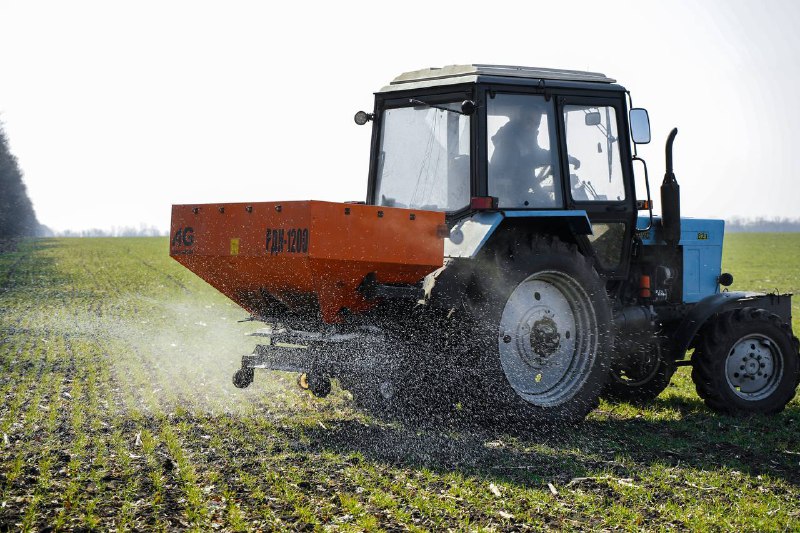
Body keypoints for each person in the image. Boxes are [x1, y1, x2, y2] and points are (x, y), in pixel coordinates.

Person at [490, 105, 579, 206]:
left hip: (517, 193)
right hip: (506, 197)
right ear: (521, 118)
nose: (533, 126)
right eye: (529, 121)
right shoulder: (509, 140)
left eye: (537, 123)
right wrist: (562, 158)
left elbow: (535, 157)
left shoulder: (526, 138)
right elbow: (529, 165)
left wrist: (565, 158)